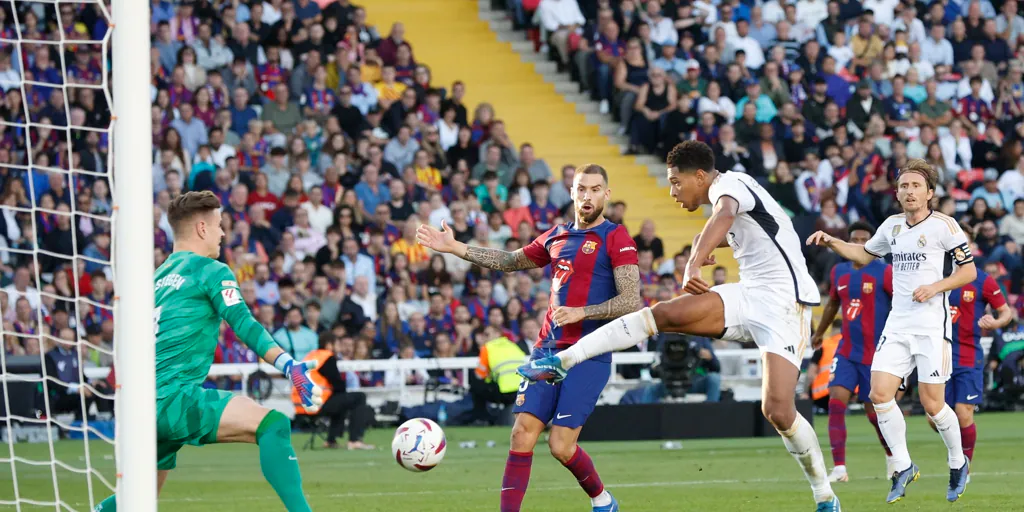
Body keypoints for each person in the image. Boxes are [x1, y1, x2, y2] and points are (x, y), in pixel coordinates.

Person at [518, 141, 840, 512]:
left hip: (786, 304)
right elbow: (739, 228)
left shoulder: (729, 187)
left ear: (700, 176)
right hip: (749, 294)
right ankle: (563, 361)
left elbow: (724, 215)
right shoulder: (729, 194)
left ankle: (825, 496)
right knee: (662, 314)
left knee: (778, 410)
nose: (672, 191)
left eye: (675, 182)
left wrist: (694, 263)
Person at [416, 164, 641, 512]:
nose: (588, 196)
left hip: (588, 353)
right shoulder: (556, 236)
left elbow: (631, 300)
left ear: (606, 195)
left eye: (595, 189)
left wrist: (584, 312)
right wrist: (456, 248)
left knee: (561, 446)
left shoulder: (616, 237)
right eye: (582, 188)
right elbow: (508, 261)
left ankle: (602, 500)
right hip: (546, 349)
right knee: (521, 434)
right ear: (571, 192)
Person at [94, 191, 322, 512]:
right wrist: (288, 364)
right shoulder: (211, 271)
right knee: (274, 425)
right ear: (202, 228)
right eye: (219, 225)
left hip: (140, 406)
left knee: (140, 498)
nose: (223, 233)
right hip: (176, 399)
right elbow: (243, 323)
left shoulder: (153, 280)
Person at [806, 159, 975, 503]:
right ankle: (902, 465)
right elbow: (863, 254)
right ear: (897, 193)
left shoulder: (946, 226)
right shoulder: (891, 226)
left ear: (929, 193)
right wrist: (831, 241)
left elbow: (968, 271)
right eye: (904, 186)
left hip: (931, 326)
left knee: (933, 404)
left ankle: (958, 462)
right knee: (879, 395)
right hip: (898, 324)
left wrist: (936, 287)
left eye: (916, 186)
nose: (909, 191)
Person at [810, 221, 895, 482]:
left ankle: (894, 458)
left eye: (864, 240)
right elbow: (832, 304)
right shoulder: (839, 272)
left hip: (875, 354)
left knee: (874, 414)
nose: (859, 244)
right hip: (846, 350)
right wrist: (819, 332)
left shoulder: (885, 272)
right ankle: (840, 469)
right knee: (836, 403)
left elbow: (900, 306)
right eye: (854, 239)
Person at [934, 223, 1012, 465]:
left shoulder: (983, 280)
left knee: (963, 412)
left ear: (971, 247)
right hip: (937, 354)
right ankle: (957, 447)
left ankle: (962, 465)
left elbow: (1006, 313)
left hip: (968, 354)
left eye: (964, 243)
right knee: (934, 416)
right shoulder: (935, 276)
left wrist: (995, 323)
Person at [292, 332, 375, 450]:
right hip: (315, 405)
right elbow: (337, 383)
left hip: (300, 406)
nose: (339, 348)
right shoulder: (327, 357)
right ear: (329, 345)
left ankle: (331, 440)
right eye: (337, 344)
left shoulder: (311, 356)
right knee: (359, 397)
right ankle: (355, 440)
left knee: (340, 400)